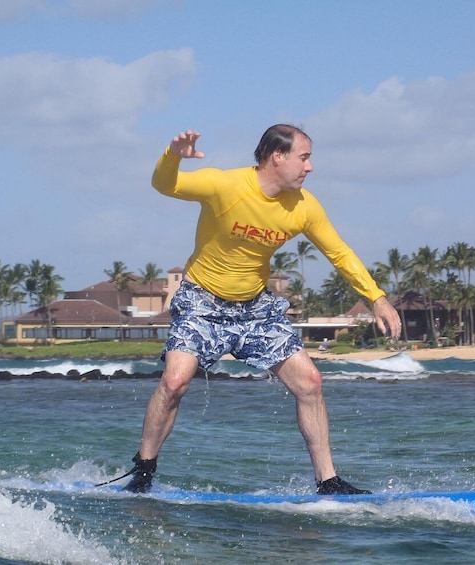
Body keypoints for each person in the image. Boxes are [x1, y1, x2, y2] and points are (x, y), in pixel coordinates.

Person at [114, 125, 401, 495]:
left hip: (256, 309)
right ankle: (143, 470)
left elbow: (339, 253)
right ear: (277, 156)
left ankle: (328, 481)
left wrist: (376, 297)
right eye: (304, 157)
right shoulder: (225, 186)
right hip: (202, 301)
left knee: (310, 382)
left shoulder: (304, 206)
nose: (310, 167)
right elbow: (165, 186)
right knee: (174, 382)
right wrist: (172, 156)